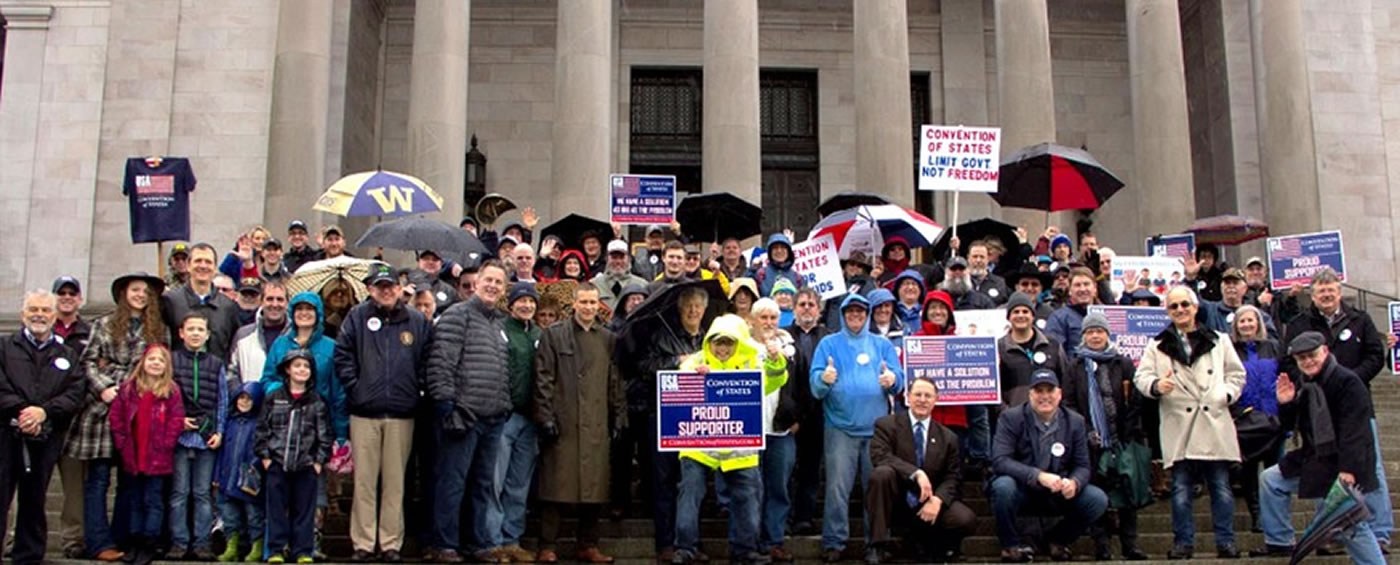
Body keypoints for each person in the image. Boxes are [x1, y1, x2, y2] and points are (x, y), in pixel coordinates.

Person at [1246, 332, 1385, 563]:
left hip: (1344, 465)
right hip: (1315, 461)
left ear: (1325, 352)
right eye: (1301, 358)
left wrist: (1348, 470)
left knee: (1348, 526)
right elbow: (1291, 426)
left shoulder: (1348, 382)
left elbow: (1356, 432)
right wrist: (1287, 403)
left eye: (1312, 355)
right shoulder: (1307, 383)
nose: (1308, 362)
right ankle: (1280, 541)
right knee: (1271, 479)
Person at [1281, 267, 1391, 549]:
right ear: (1312, 295)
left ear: (1339, 292)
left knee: (1371, 467)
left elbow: (1375, 356)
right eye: (1320, 291)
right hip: (1314, 408)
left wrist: (1350, 380)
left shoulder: (1361, 319)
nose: (1326, 295)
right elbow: (1288, 362)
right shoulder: (1299, 323)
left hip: (1356, 405)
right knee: (1323, 469)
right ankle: (1329, 531)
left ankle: (1379, 530)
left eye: (1331, 290)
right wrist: (1307, 385)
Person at [1133, 286, 1245, 559]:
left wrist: (1226, 394)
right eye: (1174, 307)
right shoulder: (1156, 345)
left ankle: (1225, 541)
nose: (1181, 310)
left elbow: (1236, 374)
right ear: (1168, 312)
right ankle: (1183, 542)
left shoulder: (1219, 340)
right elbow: (1141, 378)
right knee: (1180, 490)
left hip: (1213, 420)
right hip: (1179, 424)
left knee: (1220, 487)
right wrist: (1158, 385)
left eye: (1185, 304)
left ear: (1195, 307)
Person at [334, 264, 432, 563]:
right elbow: (343, 354)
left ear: (400, 288)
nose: (386, 290)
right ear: (370, 288)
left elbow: (428, 359)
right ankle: (363, 542)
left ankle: (391, 542)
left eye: (391, 285)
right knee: (364, 481)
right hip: (365, 413)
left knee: (395, 483)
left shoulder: (415, 320)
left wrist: (417, 389)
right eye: (380, 286)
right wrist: (357, 387)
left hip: (402, 413)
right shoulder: (357, 317)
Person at [672, 314, 786, 565]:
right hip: (698, 447)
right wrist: (694, 376)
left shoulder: (751, 363)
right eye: (718, 342)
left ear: (738, 343)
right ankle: (685, 548)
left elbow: (775, 380)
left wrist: (776, 359)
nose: (722, 348)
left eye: (728, 343)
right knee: (690, 494)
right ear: (709, 342)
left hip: (740, 448)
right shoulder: (697, 361)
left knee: (747, 498)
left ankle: (745, 551)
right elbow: (680, 379)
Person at [69, 272, 166, 561]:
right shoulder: (105, 323)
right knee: (98, 479)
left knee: (130, 479)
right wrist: (105, 387)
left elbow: (159, 368)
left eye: (146, 292)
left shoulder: (158, 330)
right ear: (124, 293)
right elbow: (88, 361)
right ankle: (99, 542)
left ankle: (122, 537)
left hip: (139, 413)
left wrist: (113, 369)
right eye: (135, 290)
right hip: (103, 411)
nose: (140, 295)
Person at [426, 260, 513, 563]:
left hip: (493, 417)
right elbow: (440, 365)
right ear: (475, 284)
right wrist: (447, 406)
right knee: (452, 482)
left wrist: (504, 404)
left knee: (482, 485)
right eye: (488, 280)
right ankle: (444, 543)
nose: (492, 286)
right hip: (463, 415)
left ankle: (476, 543)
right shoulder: (456, 316)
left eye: (498, 283)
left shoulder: (499, 322)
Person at [619, 284, 714, 560]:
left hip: (697, 421)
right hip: (663, 417)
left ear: (705, 310)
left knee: (693, 482)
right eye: (688, 306)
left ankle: (690, 540)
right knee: (664, 480)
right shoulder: (661, 336)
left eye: (698, 306)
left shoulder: (709, 339)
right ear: (680, 309)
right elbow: (645, 366)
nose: (693, 311)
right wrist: (677, 361)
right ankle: (665, 542)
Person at [532, 283, 625, 564]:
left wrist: (620, 416)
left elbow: (615, 381)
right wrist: (545, 416)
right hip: (564, 420)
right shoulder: (553, 335)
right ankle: (548, 544)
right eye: (583, 302)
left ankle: (588, 544)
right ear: (574, 304)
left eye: (592, 303)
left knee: (593, 487)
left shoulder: (609, 339)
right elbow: (543, 378)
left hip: (596, 422)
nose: (588, 307)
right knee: (554, 485)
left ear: (599, 305)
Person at [810, 293, 904, 563]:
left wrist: (892, 379)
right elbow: (815, 386)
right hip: (839, 428)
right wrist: (823, 379)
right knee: (837, 488)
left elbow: (899, 380)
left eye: (860, 312)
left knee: (876, 490)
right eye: (850, 311)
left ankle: (875, 542)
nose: (855, 316)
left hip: (877, 432)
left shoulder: (882, 344)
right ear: (842, 314)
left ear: (867, 315)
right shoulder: (828, 344)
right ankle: (833, 542)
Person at [0, 290, 87, 565]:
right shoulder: (4, 347)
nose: (39, 315)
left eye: (45, 310)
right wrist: (23, 411)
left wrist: (44, 413)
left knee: (35, 500)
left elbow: (75, 392)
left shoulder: (67, 354)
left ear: (54, 315)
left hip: (45, 437)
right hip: (6, 434)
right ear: (23, 314)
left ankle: (28, 557)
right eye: (33, 309)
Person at [988, 369, 1108, 563]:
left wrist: (1075, 482)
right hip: (1022, 489)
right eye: (1039, 391)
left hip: (1057, 491)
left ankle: (1057, 540)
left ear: (1059, 394)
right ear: (1030, 394)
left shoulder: (1075, 421)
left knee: (1097, 499)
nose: (1045, 396)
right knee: (1002, 486)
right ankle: (1010, 546)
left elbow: (1083, 465)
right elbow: (1000, 460)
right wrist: (1038, 476)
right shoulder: (1011, 418)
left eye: (1050, 391)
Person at [264, 292, 348, 553]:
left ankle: (312, 542)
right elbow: (266, 380)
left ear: (319, 313)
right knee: (282, 492)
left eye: (309, 309)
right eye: (298, 309)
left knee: (316, 488)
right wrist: (288, 388)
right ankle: (282, 545)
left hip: (316, 427)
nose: (304, 314)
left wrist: (341, 432)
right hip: (283, 428)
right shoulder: (280, 345)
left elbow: (338, 392)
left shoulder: (330, 347)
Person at [1061, 312, 1148, 561]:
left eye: (1100, 331)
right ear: (1084, 336)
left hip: (1122, 438)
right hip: (1090, 442)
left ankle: (1130, 544)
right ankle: (1102, 545)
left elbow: (1135, 400)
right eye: (1090, 332)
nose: (1095, 336)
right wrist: (1086, 430)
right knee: (1097, 494)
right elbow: (1068, 402)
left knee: (1127, 493)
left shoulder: (1123, 363)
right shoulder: (1075, 365)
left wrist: (1128, 430)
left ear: (1108, 334)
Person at [865, 377, 977, 564]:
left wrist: (938, 500)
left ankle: (941, 547)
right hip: (896, 499)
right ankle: (877, 546)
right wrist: (916, 473)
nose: (922, 400)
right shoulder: (886, 425)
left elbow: (953, 476)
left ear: (936, 400)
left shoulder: (948, 437)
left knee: (964, 519)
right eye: (917, 395)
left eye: (928, 396)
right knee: (881, 474)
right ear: (908, 397)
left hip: (928, 501)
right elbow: (880, 456)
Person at [108, 344, 185, 565]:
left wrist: (167, 444)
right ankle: (134, 539)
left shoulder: (171, 390)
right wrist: (122, 444)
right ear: (143, 362)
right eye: (151, 359)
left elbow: (176, 419)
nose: (155, 363)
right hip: (133, 454)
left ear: (166, 366)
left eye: (160, 361)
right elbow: (117, 419)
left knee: (153, 500)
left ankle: (149, 542)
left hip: (158, 456)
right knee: (134, 499)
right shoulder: (129, 389)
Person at [258, 349, 333, 564]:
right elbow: (262, 430)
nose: (302, 370)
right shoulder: (274, 398)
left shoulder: (317, 401)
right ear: (288, 369)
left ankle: (302, 550)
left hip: (306, 464)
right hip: (277, 462)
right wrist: (265, 457)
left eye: (306, 366)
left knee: (304, 510)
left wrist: (318, 460)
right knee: (276, 510)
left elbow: (324, 434)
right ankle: (276, 549)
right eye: (297, 365)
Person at [168, 312, 232, 560]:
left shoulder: (216, 363)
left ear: (207, 335)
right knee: (179, 493)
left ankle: (202, 542)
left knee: (203, 493)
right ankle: (179, 542)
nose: (195, 333)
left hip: (206, 438)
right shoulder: (173, 361)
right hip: (180, 437)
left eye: (200, 329)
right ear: (181, 333)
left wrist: (220, 431)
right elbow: (166, 397)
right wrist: (176, 422)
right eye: (190, 329)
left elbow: (222, 400)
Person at [751, 299, 798, 562]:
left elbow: (800, 383)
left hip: (780, 429)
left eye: (773, 318)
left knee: (779, 488)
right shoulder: (742, 347)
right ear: (754, 320)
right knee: (752, 489)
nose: (768, 323)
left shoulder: (791, 349)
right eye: (763, 318)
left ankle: (774, 540)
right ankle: (753, 540)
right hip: (750, 429)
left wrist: (796, 415)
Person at [1230, 304, 1283, 532]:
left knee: (1276, 472)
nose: (1247, 325)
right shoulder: (1231, 350)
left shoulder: (1273, 347)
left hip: (1274, 419)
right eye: (1242, 321)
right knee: (1249, 472)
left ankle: (1277, 519)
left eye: (1251, 320)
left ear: (1259, 323)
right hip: (1246, 421)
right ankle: (1257, 515)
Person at [49, 275, 91, 558]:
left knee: (75, 488)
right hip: (40, 421)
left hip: (76, 421)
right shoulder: (38, 329)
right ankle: (15, 537)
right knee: (28, 486)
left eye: (71, 293)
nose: (66, 297)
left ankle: (73, 540)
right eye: (61, 292)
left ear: (80, 299)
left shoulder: (89, 332)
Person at [784, 288, 828, 539]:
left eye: (811, 304)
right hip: (791, 414)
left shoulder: (829, 337)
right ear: (793, 308)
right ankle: (786, 517)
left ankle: (804, 518)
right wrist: (792, 415)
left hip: (820, 413)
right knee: (787, 470)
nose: (807, 308)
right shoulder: (784, 336)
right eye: (802, 304)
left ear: (819, 310)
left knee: (811, 471)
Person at [165, 243, 243, 361]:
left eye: (208, 262)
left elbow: (233, 348)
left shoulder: (228, 306)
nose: (203, 266)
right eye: (198, 261)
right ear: (188, 265)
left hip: (216, 376)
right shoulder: (170, 301)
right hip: (178, 375)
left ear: (215, 267)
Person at [214, 381, 265, 563]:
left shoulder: (259, 424)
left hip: (250, 479)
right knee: (229, 515)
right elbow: (221, 452)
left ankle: (256, 545)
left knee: (254, 515)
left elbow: (262, 450)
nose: (244, 402)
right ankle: (232, 545)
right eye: (241, 397)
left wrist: (254, 467)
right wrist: (217, 475)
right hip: (228, 476)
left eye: (249, 399)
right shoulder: (230, 422)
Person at [998, 293, 1072, 409]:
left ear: (1033, 316)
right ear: (1008, 317)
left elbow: (1066, 382)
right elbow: (995, 390)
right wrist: (1006, 414)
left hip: (1051, 417)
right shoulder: (999, 348)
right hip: (1014, 419)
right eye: (1016, 312)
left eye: (1025, 311)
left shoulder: (1053, 345)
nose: (1021, 315)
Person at [230, 280, 289, 384]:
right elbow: (232, 372)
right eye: (270, 299)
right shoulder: (243, 335)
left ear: (287, 303)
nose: (275, 304)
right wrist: (240, 394)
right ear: (261, 302)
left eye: (280, 299)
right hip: (250, 399)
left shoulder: (297, 336)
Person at [1045, 267, 1098, 359]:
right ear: (1070, 290)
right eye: (1077, 285)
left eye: (1086, 284)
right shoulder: (1059, 318)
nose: (1082, 289)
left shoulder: (1109, 314)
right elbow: (1054, 352)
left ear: (1095, 288)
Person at [593, 240, 647, 311]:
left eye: (621, 257)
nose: (618, 261)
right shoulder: (594, 285)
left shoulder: (642, 285)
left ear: (629, 259)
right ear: (606, 258)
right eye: (614, 257)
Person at [753, 233, 803, 297]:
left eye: (783, 247)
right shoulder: (761, 274)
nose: (779, 251)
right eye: (775, 248)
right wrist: (752, 270)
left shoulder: (797, 278)